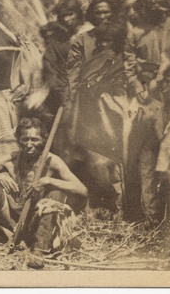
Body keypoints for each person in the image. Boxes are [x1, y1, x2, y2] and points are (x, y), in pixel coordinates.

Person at [0, 117, 87, 268]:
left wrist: (49, 181)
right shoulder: (11, 159)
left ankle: (40, 249)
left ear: (43, 140)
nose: (29, 145)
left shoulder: (52, 161)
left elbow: (82, 190)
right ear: (18, 140)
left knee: (55, 194)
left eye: (35, 140)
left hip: (36, 221)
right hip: (11, 216)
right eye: (25, 139)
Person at [123, 0, 170, 225]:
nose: (155, 2)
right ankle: (150, 215)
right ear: (143, 1)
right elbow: (128, 64)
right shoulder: (135, 30)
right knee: (146, 152)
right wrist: (140, 89)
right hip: (147, 96)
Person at [66, 20, 128, 212]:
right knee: (93, 157)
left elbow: (121, 82)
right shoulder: (92, 60)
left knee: (114, 159)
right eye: (100, 41)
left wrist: (102, 86)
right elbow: (81, 80)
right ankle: (104, 201)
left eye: (108, 41)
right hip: (90, 111)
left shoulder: (119, 59)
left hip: (113, 111)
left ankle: (118, 203)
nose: (103, 45)